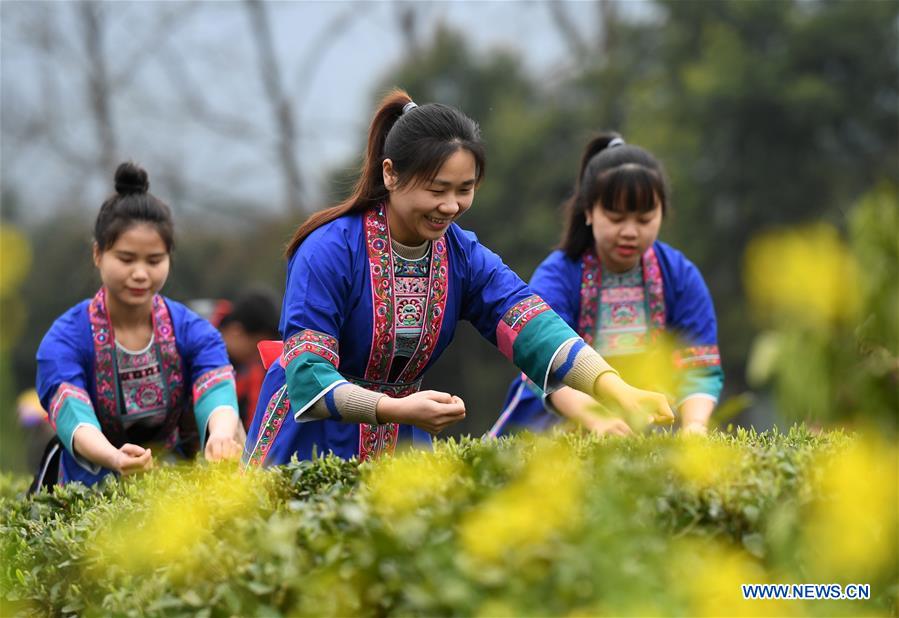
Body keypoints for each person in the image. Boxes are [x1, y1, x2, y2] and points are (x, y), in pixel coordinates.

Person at [244, 91, 675, 467]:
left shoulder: (462, 254)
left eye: (464, 189)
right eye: (436, 190)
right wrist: (394, 409)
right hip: (304, 443)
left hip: (400, 443)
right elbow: (306, 380)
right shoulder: (328, 250)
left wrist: (616, 389)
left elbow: (530, 325)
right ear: (390, 173)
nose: (450, 206)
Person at [488, 133, 723, 438]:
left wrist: (694, 427)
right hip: (550, 427)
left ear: (663, 213)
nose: (629, 232)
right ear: (588, 211)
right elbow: (545, 364)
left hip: (645, 426)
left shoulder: (678, 273)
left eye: (644, 219)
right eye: (615, 218)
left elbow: (698, 364)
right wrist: (598, 420)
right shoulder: (559, 275)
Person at [34, 162, 242, 489]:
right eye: (127, 259)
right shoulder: (65, 339)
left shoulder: (193, 331)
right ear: (98, 254)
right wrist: (115, 458)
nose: (141, 273)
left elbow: (215, 389)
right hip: (88, 482)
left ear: (169, 258)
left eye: (154, 260)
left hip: (174, 477)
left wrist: (220, 436)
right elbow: (72, 414)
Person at [215, 288, 280, 430]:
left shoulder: (250, 369)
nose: (259, 357)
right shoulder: (199, 356)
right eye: (255, 349)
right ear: (236, 331)